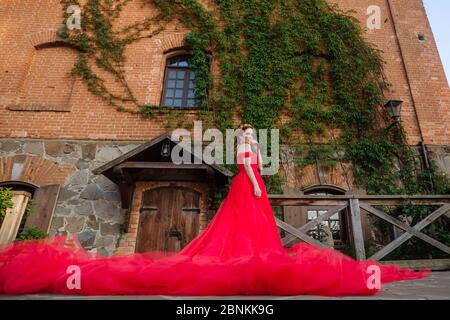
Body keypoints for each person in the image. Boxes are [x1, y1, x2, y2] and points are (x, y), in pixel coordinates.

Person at [0, 124, 429, 296]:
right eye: (248, 134)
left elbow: (252, 159)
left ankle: (251, 264)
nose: (250, 138)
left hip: (251, 184)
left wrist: (258, 176)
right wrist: (258, 183)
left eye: (250, 136)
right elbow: (245, 164)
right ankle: (246, 266)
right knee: (245, 227)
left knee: (251, 231)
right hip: (249, 185)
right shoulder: (247, 146)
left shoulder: (255, 144)